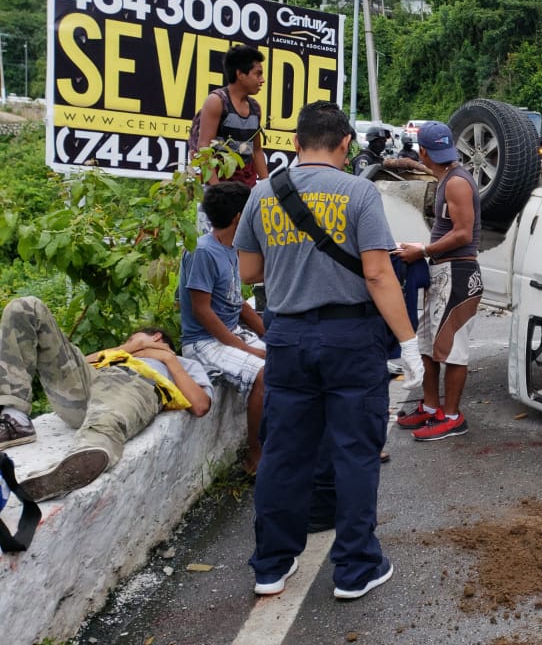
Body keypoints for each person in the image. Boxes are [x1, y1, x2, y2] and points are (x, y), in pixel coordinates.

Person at [234, 100, 424, 600]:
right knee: (355, 453)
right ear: (345, 144)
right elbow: (379, 273)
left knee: (284, 452)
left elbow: (249, 273)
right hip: (350, 340)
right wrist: (408, 342)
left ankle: (271, 565)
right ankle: (355, 568)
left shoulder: (263, 194)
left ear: (296, 143)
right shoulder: (359, 191)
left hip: (288, 338)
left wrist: (291, 264)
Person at [0, 297, 212, 502]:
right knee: (27, 306)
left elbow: (201, 405)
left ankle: (79, 461)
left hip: (133, 385)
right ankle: (15, 417)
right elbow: (83, 362)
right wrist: (127, 349)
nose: (127, 344)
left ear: (156, 337)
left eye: (131, 339)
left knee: (108, 416)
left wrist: (167, 358)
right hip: (86, 385)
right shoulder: (117, 354)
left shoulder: (182, 363)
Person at [393, 121, 484, 442]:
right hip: (443, 271)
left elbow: (462, 232)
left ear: (422, 152)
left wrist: (423, 250)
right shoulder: (447, 178)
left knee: (453, 348)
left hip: (458, 273)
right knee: (429, 345)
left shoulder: (457, 183)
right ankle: (431, 408)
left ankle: (452, 416)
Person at [178, 182, 266, 475]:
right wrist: (245, 348)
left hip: (229, 334)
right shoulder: (203, 251)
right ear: (240, 218)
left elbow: (239, 303)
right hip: (203, 342)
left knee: (290, 356)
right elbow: (202, 311)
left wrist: (269, 334)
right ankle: (255, 456)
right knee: (263, 374)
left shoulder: (231, 249)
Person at [191, 45, 269, 186]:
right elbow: (204, 147)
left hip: (245, 186)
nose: (262, 80)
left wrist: (267, 187)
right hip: (219, 184)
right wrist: (217, 192)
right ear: (240, 75)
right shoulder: (217, 101)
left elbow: (256, 150)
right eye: (258, 74)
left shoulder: (255, 108)